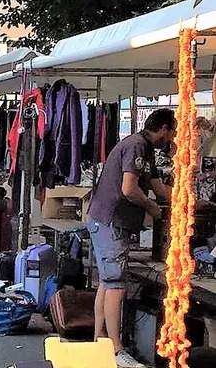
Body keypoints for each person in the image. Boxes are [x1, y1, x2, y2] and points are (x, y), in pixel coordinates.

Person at [87, 108, 175, 368]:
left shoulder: (146, 149)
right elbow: (129, 188)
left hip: (110, 222)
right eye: (171, 133)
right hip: (110, 221)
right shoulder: (136, 145)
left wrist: (184, 198)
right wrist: (151, 207)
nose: (171, 140)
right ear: (163, 129)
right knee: (116, 284)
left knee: (107, 282)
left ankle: (99, 340)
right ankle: (116, 350)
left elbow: (158, 186)